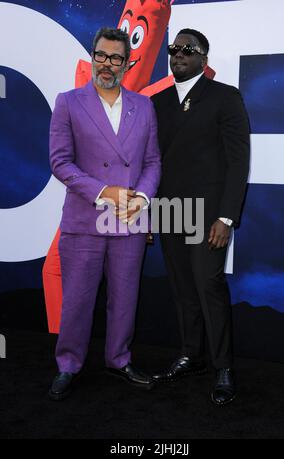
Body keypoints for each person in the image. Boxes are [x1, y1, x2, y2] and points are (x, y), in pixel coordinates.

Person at [48, 27, 161, 401]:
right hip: (85, 218)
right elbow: (60, 162)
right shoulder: (68, 102)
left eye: (115, 57)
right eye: (101, 55)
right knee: (77, 299)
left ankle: (119, 359)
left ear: (127, 64)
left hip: (129, 219)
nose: (107, 63)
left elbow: (152, 161)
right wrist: (104, 191)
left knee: (125, 296)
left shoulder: (143, 105)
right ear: (93, 55)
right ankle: (68, 365)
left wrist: (142, 198)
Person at [151, 29, 250, 406]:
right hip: (168, 211)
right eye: (173, 49)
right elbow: (150, 161)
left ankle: (223, 367)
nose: (177, 55)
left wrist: (226, 217)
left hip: (208, 215)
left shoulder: (225, 97)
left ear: (203, 58)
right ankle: (191, 355)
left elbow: (239, 161)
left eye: (186, 50)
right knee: (182, 289)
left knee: (209, 287)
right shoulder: (156, 102)